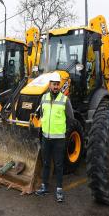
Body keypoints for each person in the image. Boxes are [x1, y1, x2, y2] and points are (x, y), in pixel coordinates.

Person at [35, 72, 74, 202]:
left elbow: (70, 119)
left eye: (57, 84)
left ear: (59, 85)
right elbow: (41, 115)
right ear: (49, 85)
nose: (56, 87)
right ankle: (45, 186)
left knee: (58, 164)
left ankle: (59, 190)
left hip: (59, 140)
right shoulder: (44, 98)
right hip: (46, 138)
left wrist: (63, 132)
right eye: (53, 84)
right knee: (46, 163)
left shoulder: (65, 100)